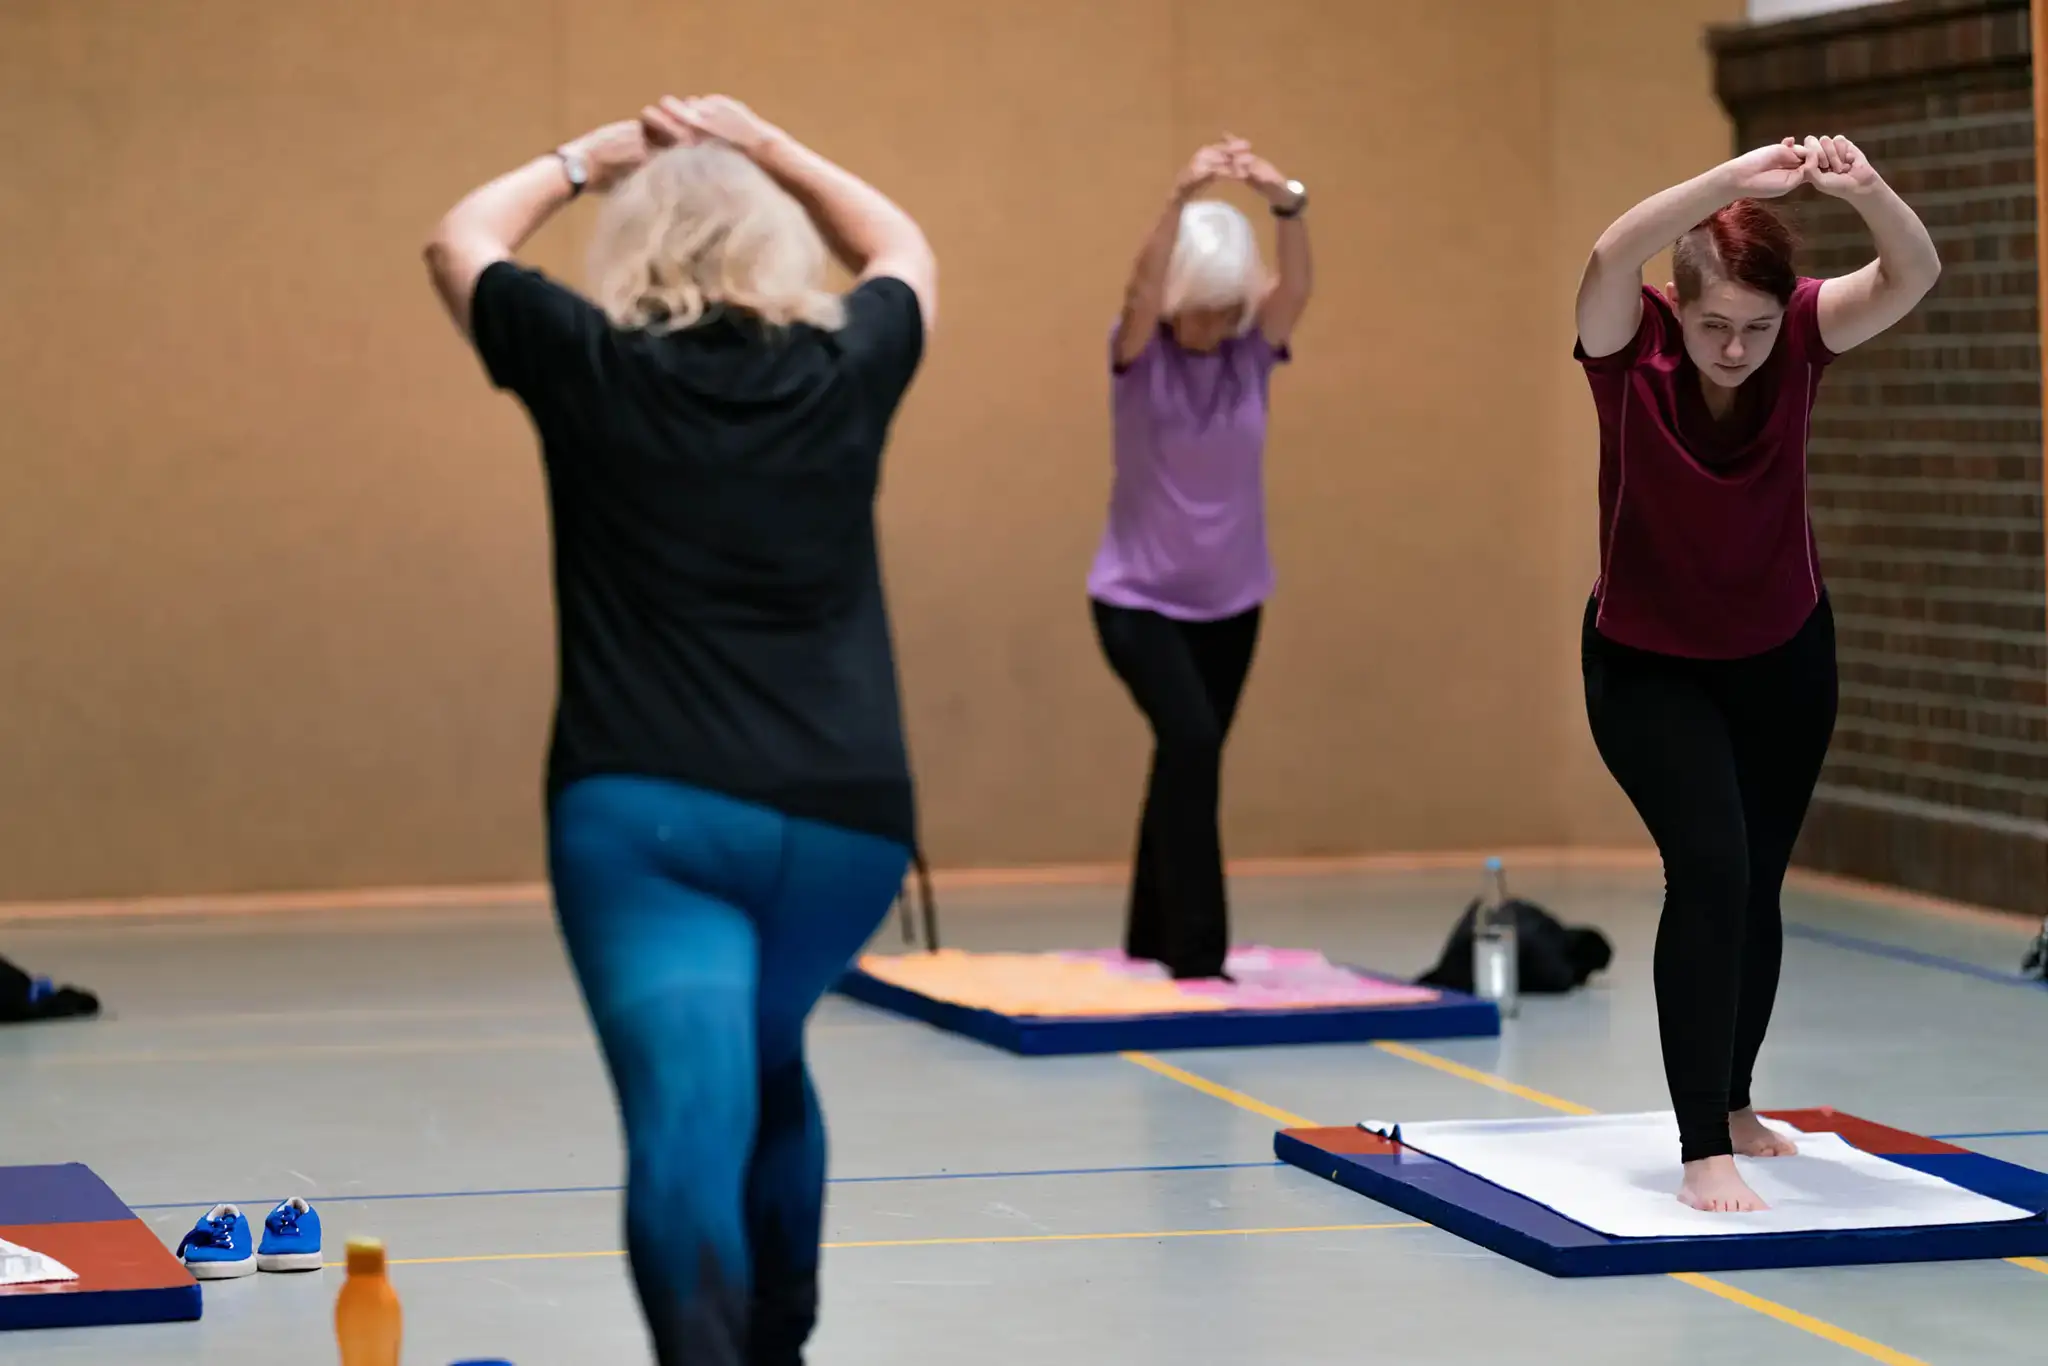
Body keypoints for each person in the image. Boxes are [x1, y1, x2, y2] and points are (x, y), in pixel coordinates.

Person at [422, 92, 935, 1365]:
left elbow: (460, 238)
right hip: (844, 823)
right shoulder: (847, 367)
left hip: (652, 819)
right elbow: (900, 246)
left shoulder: (589, 362)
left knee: (683, 1113)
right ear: (777, 246)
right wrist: (769, 148)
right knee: (766, 1055)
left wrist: (588, 157)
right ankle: (779, 1347)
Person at [1573, 135, 1939, 1213]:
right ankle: (1702, 1147)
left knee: (1758, 878)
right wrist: (1730, 183)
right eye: (1713, 326)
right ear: (1676, 308)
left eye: (1757, 327)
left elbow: (1912, 272)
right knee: (1709, 869)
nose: (1734, 348)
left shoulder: (1803, 342)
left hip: (1782, 651)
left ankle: (1735, 1102)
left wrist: (1867, 189)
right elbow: (1609, 253)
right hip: (1647, 662)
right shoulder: (1625, 345)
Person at [1088, 136, 1312, 981]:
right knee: (1191, 743)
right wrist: (1178, 200)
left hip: (1233, 604)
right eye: (1200, 309)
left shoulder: (1250, 357)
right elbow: (1140, 290)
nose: (1212, 326)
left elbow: (1297, 288)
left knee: (1188, 753)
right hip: (1136, 602)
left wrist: (1285, 201)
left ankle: (1148, 931)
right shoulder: (1138, 359)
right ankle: (1195, 953)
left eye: (1226, 310)